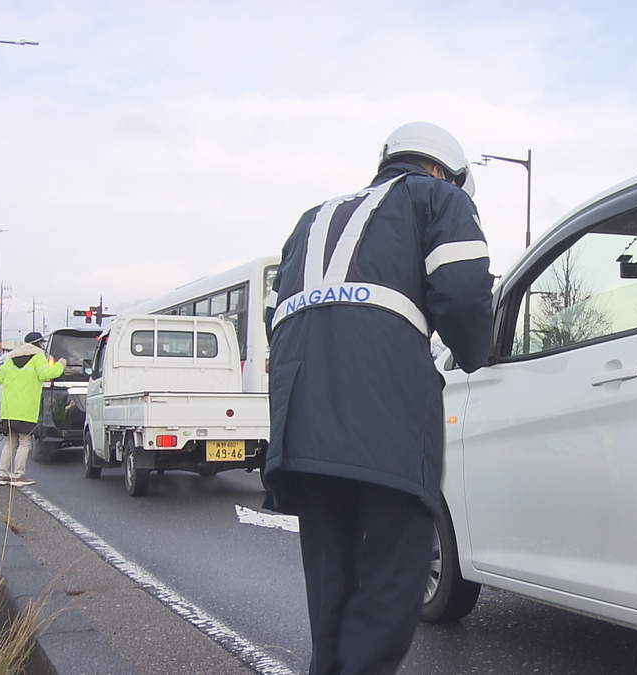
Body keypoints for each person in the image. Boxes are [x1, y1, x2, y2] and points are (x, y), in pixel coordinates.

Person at [263, 121, 494, 675]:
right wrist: (473, 350)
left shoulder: (312, 217)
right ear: (442, 170)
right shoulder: (436, 198)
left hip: (300, 420)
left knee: (332, 586)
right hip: (385, 414)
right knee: (398, 571)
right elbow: (464, 293)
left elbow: (276, 316)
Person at [0, 331, 64, 487]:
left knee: (10, 442)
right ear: (38, 344)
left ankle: (2, 474)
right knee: (25, 442)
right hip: (26, 408)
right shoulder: (38, 356)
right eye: (42, 343)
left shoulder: (10, 359)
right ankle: (18, 476)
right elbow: (46, 374)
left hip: (9, 408)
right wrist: (60, 365)